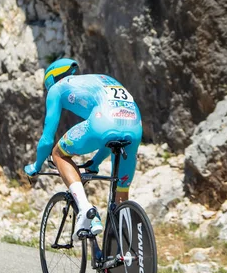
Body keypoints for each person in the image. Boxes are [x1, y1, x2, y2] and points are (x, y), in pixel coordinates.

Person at [24, 58, 142, 240]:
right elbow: (112, 131)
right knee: (121, 195)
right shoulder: (101, 79)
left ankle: (85, 209)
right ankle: (125, 249)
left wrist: (36, 166)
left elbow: (47, 138)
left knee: (58, 153)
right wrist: (95, 162)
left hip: (103, 123)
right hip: (134, 126)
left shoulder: (56, 88)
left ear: (51, 80)